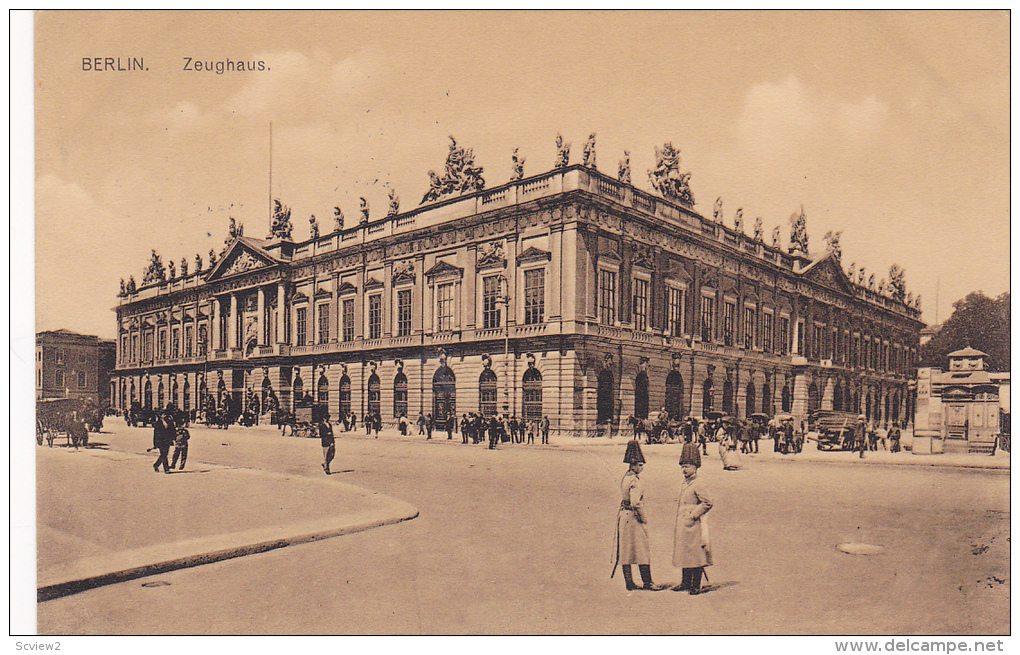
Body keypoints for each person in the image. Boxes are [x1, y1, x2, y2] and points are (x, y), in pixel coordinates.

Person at [612, 440, 666, 592]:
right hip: (634, 517)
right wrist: (644, 518)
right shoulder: (635, 481)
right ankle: (647, 582)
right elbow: (636, 502)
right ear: (633, 464)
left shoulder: (626, 477)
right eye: (640, 465)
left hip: (624, 516)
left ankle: (629, 582)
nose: (642, 468)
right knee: (642, 550)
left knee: (625, 551)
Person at [673, 442, 713, 594]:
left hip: (694, 524)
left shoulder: (698, 483)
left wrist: (693, 514)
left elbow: (708, 502)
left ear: (695, 467)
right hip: (684, 525)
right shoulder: (686, 483)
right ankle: (685, 582)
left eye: (687, 466)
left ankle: (696, 584)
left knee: (696, 555)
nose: (684, 470)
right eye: (682, 467)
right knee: (685, 553)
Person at [152, 407, 175, 474]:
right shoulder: (158, 423)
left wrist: (174, 438)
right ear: (160, 415)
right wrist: (155, 444)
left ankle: (156, 465)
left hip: (167, 440)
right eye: (163, 414)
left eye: (165, 414)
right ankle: (166, 469)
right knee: (164, 454)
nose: (164, 415)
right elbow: (156, 434)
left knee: (164, 454)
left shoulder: (169, 421)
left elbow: (172, 430)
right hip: (160, 441)